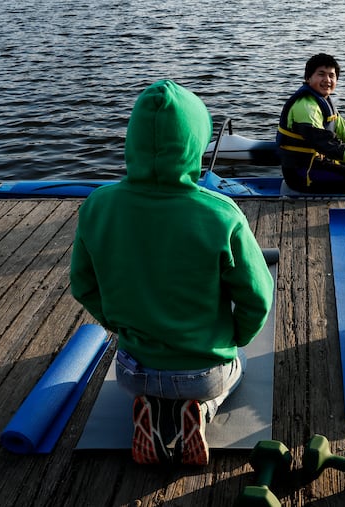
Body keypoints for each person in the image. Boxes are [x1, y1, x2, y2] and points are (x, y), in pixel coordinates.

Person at [70, 80, 274, 465]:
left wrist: (117, 323)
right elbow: (257, 297)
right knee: (239, 362)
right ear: (196, 142)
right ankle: (201, 412)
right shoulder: (221, 213)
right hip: (202, 373)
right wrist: (234, 337)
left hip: (132, 369)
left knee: (148, 376)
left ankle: (148, 409)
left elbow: (82, 285)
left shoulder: (98, 206)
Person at [277, 53, 345, 193]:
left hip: (317, 163)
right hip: (301, 173)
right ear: (308, 78)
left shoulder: (323, 103)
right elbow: (324, 142)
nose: (327, 80)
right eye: (321, 74)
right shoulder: (305, 106)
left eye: (331, 76)